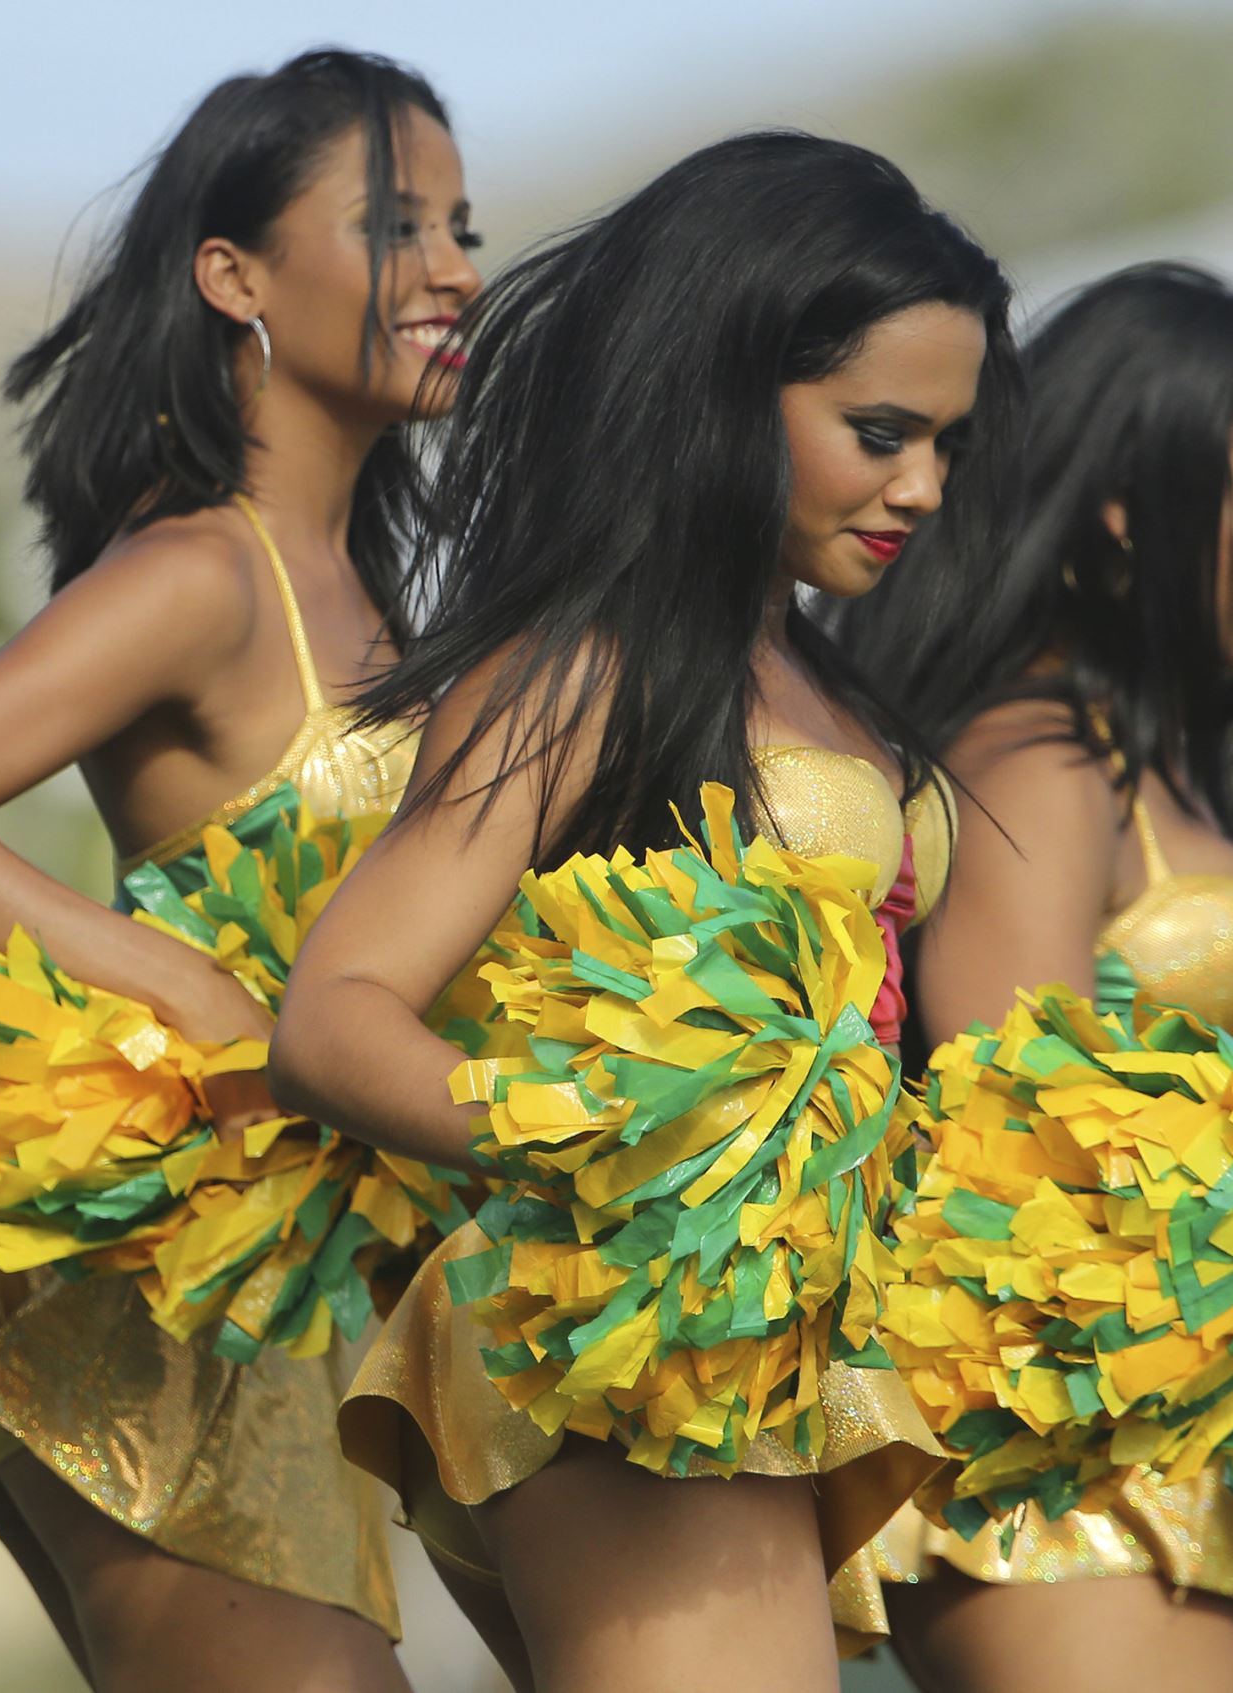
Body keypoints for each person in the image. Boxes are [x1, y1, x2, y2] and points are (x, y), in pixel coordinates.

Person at [264, 132, 1023, 1693]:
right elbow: (336, 1015)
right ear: (728, 394)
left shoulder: (822, 674)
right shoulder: (581, 668)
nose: (923, 487)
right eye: (881, 431)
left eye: (948, 443)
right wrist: (622, 1145)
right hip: (613, 1331)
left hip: (780, 1335)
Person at [0, 49, 483, 1693]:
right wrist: (170, 974)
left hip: (304, 1310)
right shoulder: (197, 575)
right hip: (166, 1297)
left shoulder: (383, 607)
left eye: (464, 223)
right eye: (398, 225)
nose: (458, 267)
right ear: (234, 277)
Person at [829, 260, 1233, 1693]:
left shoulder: (1158, 769)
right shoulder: (1038, 763)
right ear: (1129, 499)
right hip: (1058, 1463)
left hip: (1182, 1438)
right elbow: (1021, 1134)